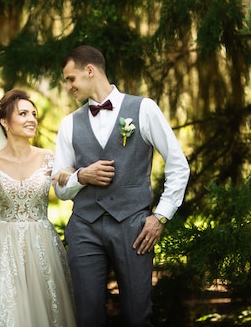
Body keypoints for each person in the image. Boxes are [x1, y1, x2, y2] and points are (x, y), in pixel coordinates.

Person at [51, 45, 190, 327]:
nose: (68, 87)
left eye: (71, 79)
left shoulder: (144, 108)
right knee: (87, 317)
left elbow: (178, 165)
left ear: (89, 71)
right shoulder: (69, 124)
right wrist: (82, 176)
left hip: (133, 227)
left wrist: (160, 217)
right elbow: (60, 188)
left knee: (138, 316)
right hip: (84, 228)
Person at [0, 89, 77, 327]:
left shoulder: (49, 158)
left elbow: (70, 181)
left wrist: (70, 172)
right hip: (0, 250)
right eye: (23, 114)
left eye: (34, 114)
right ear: (4, 122)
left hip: (41, 247)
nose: (32, 119)